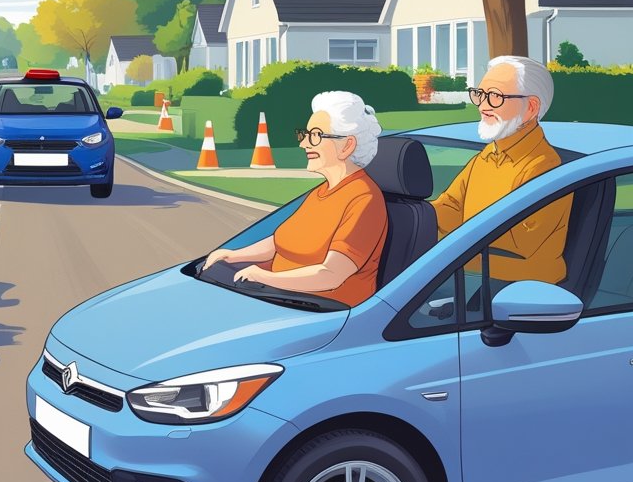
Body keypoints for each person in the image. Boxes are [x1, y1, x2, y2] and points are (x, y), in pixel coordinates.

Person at [205, 91, 388, 307]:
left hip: (319, 307)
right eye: (305, 134)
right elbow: (280, 242)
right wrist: (233, 256)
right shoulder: (321, 193)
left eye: (316, 135)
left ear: (347, 145)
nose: (304, 144)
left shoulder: (364, 199)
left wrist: (263, 277)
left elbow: (331, 275)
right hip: (278, 294)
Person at [431, 56, 571, 283]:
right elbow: (450, 208)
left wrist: (440, 253)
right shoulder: (486, 157)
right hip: (470, 279)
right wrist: (413, 219)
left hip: (520, 294)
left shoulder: (544, 165)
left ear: (531, 107)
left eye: (495, 96)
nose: (483, 106)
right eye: (480, 94)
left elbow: (515, 244)